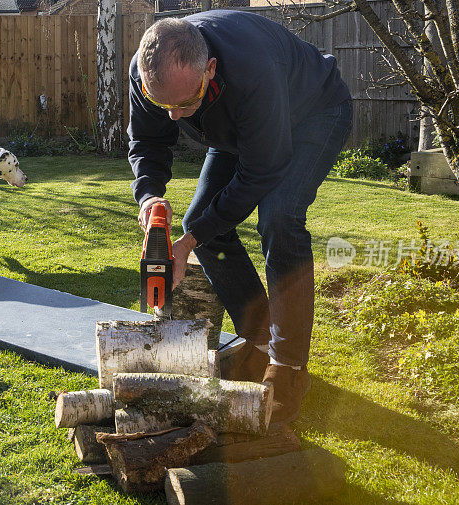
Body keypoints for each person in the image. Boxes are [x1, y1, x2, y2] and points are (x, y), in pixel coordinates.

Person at [127, 10, 353, 423]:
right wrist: (149, 198)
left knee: (279, 218)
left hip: (313, 114)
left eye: (185, 103)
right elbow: (146, 140)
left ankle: (288, 368)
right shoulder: (149, 70)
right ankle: (259, 341)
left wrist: (188, 241)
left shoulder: (253, 70)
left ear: (209, 69)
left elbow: (259, 174)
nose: (174, 116)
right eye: (164, 104)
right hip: (237, 129)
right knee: (203, 222)